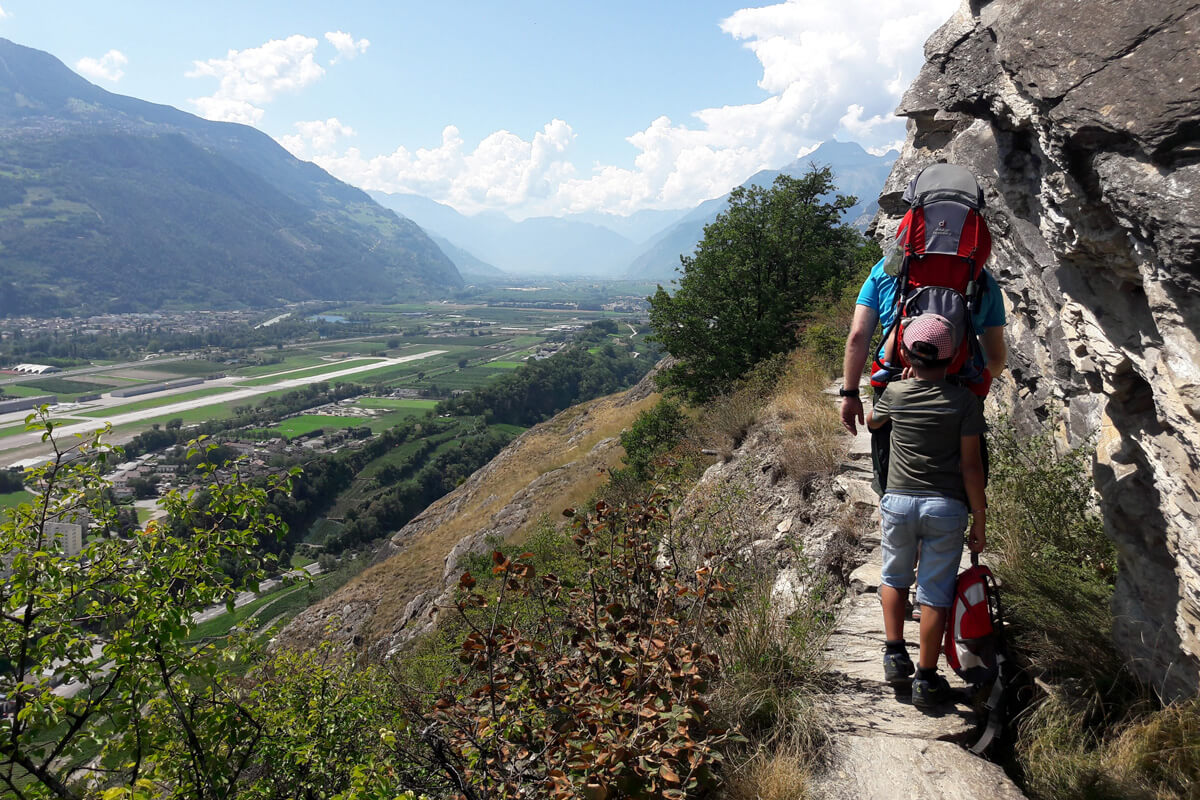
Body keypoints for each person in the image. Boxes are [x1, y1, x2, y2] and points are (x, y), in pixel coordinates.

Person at [866, 314, 988, 708]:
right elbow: (972, 466)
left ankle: (893, 653)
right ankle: (926, 678)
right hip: (946, 507)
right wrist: (980, 517)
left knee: (894, 576)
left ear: (906, 353)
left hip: (899, 502)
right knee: (935, 594)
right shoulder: (964, 402)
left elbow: (873, 421)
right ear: (953, 360)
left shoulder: (897, 395)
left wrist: (895, 381)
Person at [839, 248, 1007, 492]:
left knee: (890, 484)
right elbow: (995, 358)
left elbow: (857, 337)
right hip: (961, 388)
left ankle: (893, 519)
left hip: (896, 383)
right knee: (961, 476)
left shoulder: (885, 270)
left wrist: (851, 393)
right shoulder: (980, 277)